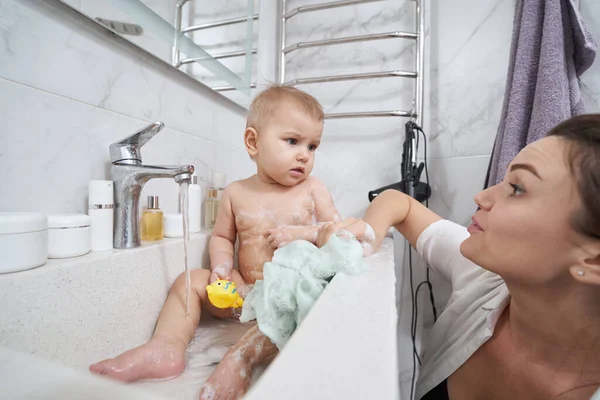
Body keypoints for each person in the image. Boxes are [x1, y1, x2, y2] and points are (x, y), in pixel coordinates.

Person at [317, 114, 600, 400]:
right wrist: (367, 233)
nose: (481, 197)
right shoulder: (485, 277)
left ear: (593, 261)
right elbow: (397, 202)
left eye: (517, 188)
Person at [90, 84, 344, 399]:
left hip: (288, 298)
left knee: (298, 307)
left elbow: (336, 233)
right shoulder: (236, 192)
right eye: (293, 141)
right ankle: (166, 347)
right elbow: (223, 237)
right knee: (189, 280)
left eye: (312, 146)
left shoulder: (312, 189)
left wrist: (302, 233)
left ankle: (243, 361)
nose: (304, 155)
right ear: (253, 142)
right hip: (246, 293)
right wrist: (222, 268)